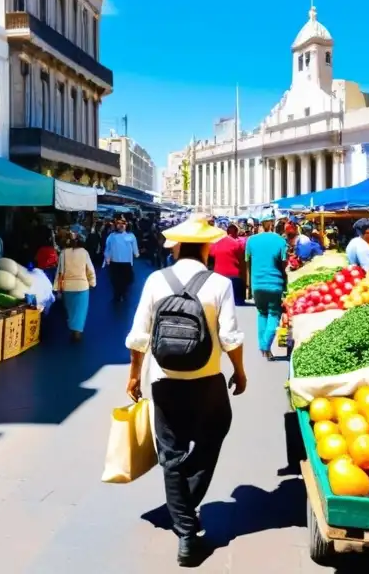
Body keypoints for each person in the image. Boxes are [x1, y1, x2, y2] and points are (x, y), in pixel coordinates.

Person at [125, 214, 246, 566]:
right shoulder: (219, 283)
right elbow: (230, 337)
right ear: (208, 247)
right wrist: (239, 371)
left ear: (176, 246)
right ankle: (185, 523)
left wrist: (134, 376)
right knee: (212, 437)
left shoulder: (155, 281)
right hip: (207, 382)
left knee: (172, 454)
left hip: (163, 382)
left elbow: (139, 336)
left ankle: (184, 527)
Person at [245, 216, 288, 360]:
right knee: (274, 314)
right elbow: (284, 265)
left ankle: (264, 348)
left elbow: (248, 263)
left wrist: (249, 286)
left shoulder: (251, 240)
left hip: (257, 284)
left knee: (262, 313)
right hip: (274, 283)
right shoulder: (280, 241)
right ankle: (265, 346)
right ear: (273, 224)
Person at [53, 232, 96, 342]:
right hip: (82, 286)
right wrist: (92, 283)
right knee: (81, 310)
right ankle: (78, 331)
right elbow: (90, 269)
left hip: (68, 286)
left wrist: (57, 287)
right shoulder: (84, 252)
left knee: (71, 310)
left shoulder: (63, 253)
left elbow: (60, 272)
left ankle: (73, 329)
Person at [210, 223, 247, 305]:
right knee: (237, 302)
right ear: (236, 232)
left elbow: (211, 257)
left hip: (219, 275)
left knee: (221, 302)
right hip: (235, 276)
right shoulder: (237, 244)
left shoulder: (215, 244)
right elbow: (242, 261)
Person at [104, 217, 139, 303]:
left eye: (123, 223)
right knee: (115, 280)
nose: (121, 225)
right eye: (119, 223)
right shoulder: (111, 236)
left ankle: (123, 293)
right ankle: (117, 295)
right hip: (114, 262)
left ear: (126, 225)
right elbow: (107, 248)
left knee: (126, 280)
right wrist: (107, 257)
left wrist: (136, 253)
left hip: (126, 263)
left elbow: (135, 247)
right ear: (116, 225)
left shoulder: (131, 236)